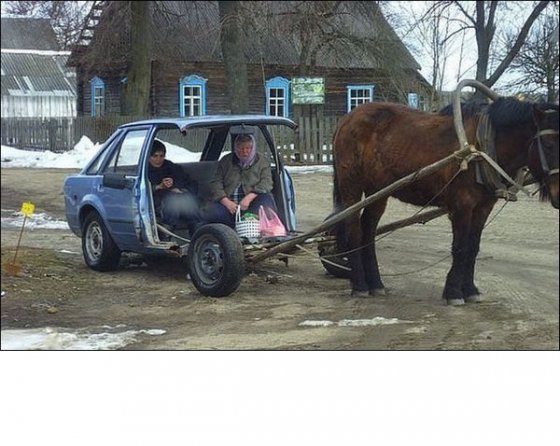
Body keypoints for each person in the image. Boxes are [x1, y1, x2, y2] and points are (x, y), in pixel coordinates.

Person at [204, 133, 278, 228]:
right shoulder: (226, 161)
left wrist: (249, 197)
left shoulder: (262, 161)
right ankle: (228, 233)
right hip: (228, 205)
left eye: (248, 148)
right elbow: (215, 183)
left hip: (252, 204)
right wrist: (225, 201)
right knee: (211, 211)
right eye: (241, 148)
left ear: (253, 148)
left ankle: (256, 228)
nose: (245, 152)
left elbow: (267, 183)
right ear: (235, 148)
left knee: (266, 200)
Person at [147, 139, 202, 235]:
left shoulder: (172, 167)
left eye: (161, 156)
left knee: (186, 200)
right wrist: (159, 186)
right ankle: (166, 234)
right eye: (155, 156)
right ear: (148, 156)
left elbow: (191, 183)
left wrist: (179, 188)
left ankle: (197, 236)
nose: (158, 159)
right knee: (173, 201)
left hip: (182, 201)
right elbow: (142, 190)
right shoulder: (144, 170)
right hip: (157, 203)